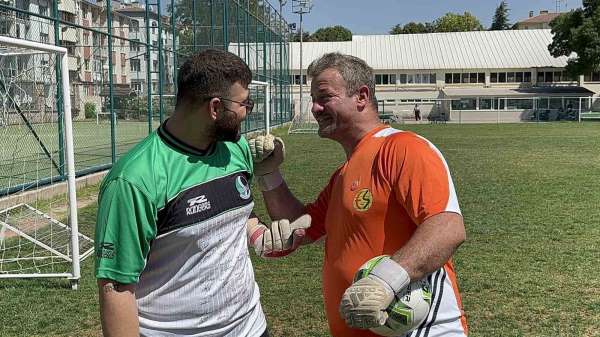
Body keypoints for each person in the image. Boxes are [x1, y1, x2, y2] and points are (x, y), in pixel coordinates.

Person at [249, 52, 468, 337]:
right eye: (313, 99)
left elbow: (447, 228)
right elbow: (299, 226)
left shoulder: (404, 148)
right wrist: (269, 172)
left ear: (362, 96)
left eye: (324, 97)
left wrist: (385, 281)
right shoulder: (343, 174)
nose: (315, 108)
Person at [94, 48, 309, 337]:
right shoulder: (134, 180)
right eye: (245, 104)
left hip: (251, 327)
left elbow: (238, 212)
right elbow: (116, 287)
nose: (248, 111)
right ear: (216, 108)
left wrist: (258, 234)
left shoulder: (236, 149)